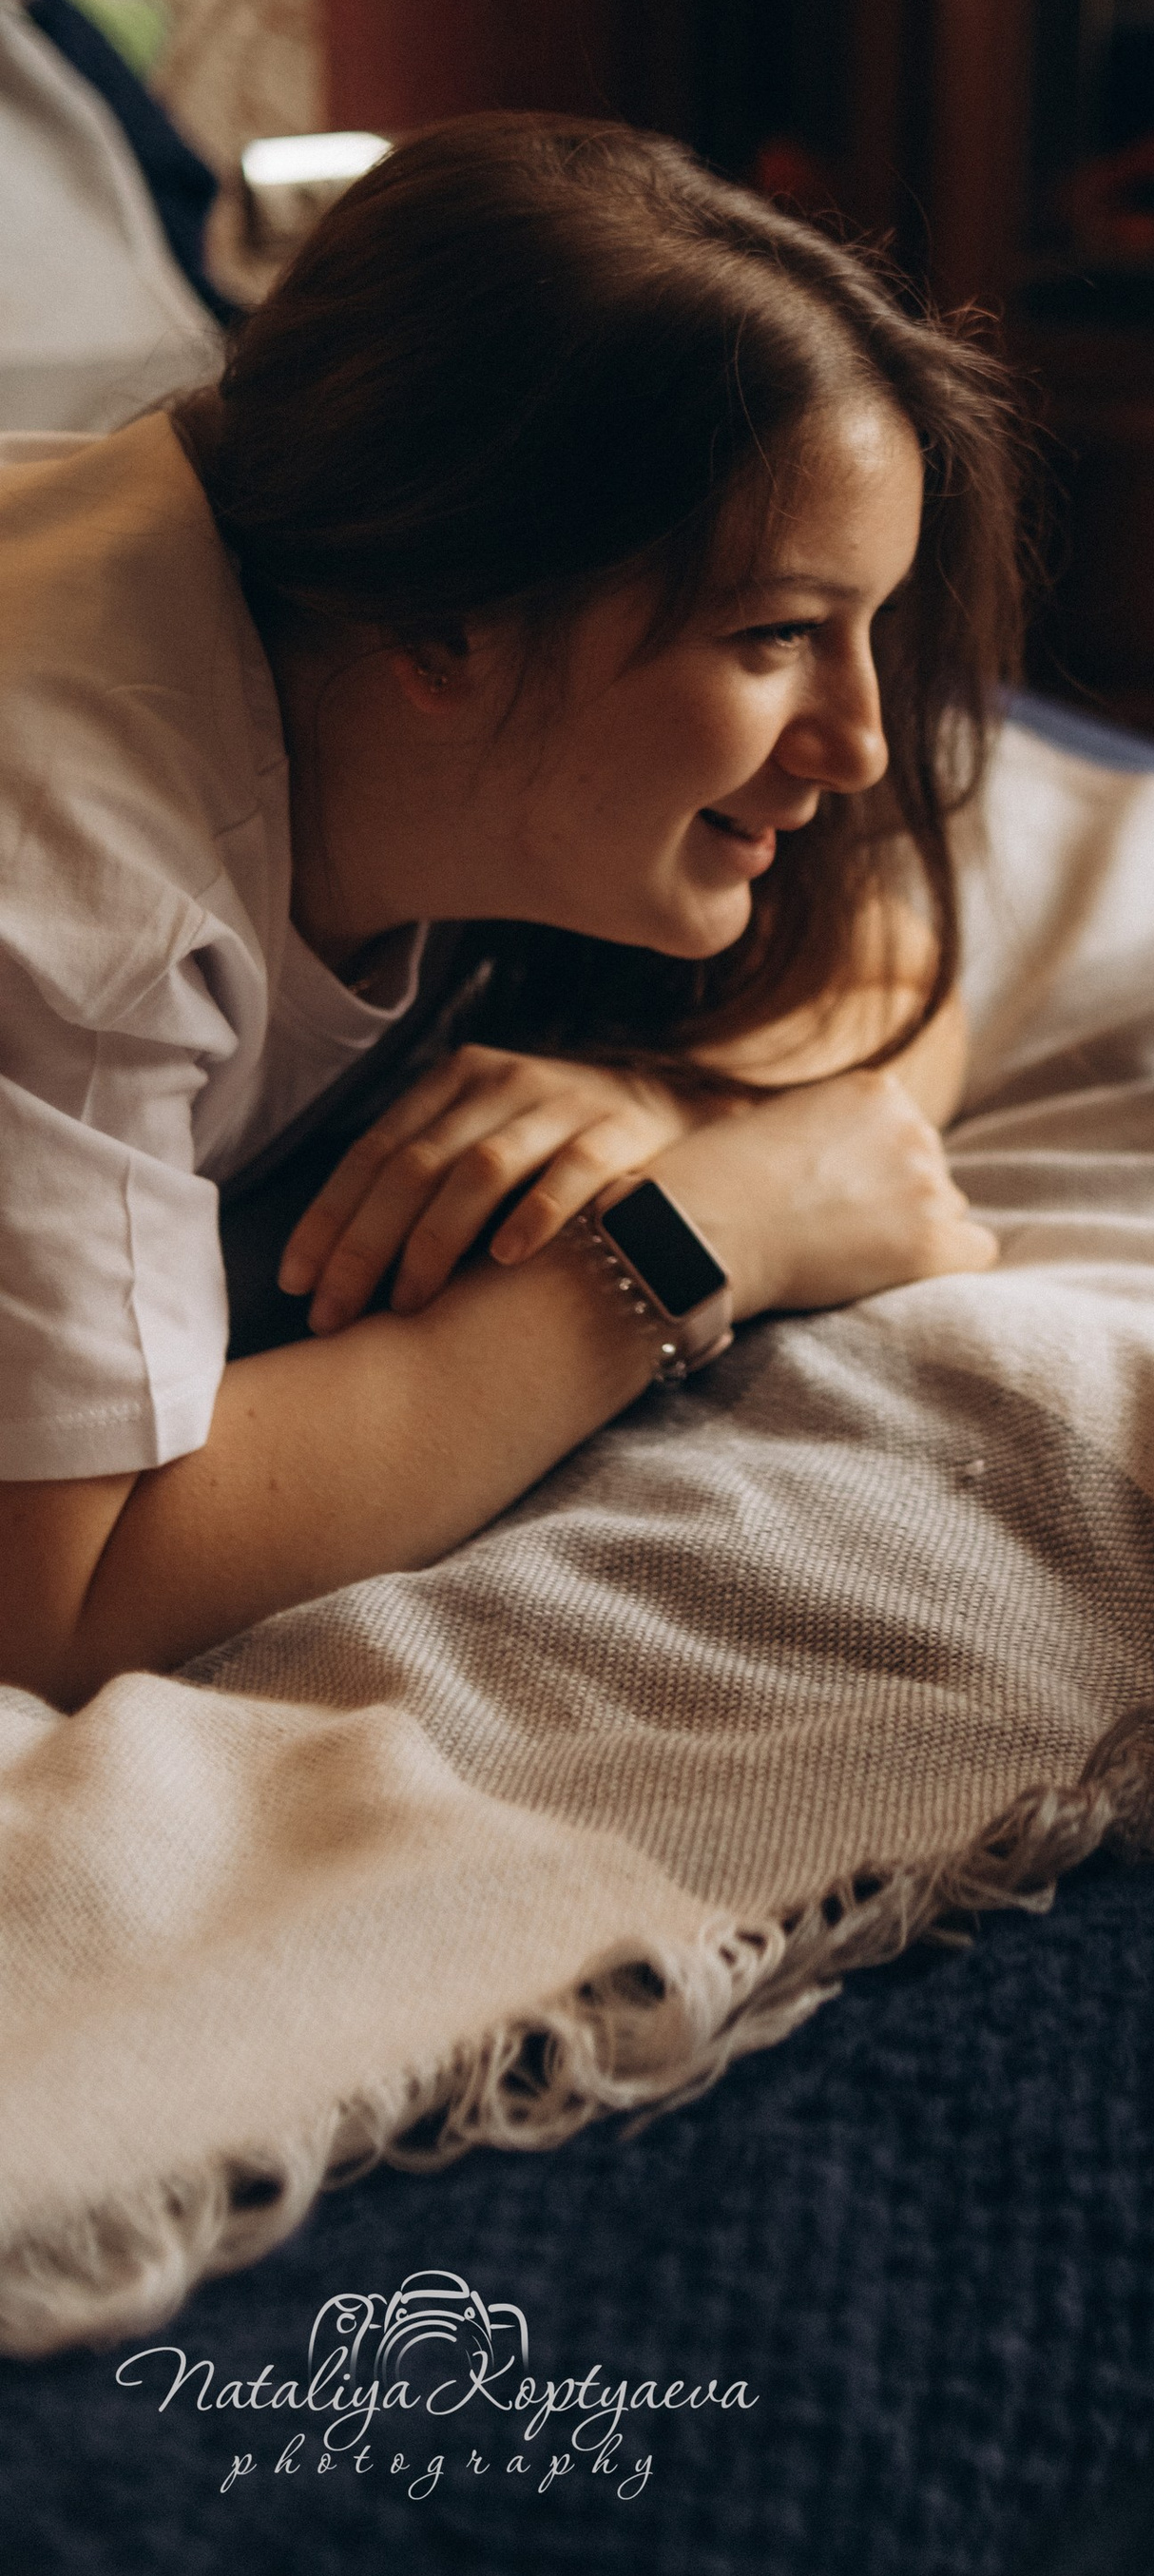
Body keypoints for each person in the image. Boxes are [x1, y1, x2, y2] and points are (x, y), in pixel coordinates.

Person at [0, 113, 1022, 1709]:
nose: (860, 740)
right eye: (775, 638)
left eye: (865, 627)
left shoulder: (408, 682)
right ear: (439, 628)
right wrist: (689, 1239)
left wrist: (653, 1099)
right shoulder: (70, 890)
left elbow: (890, 958)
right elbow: (58, 1601)